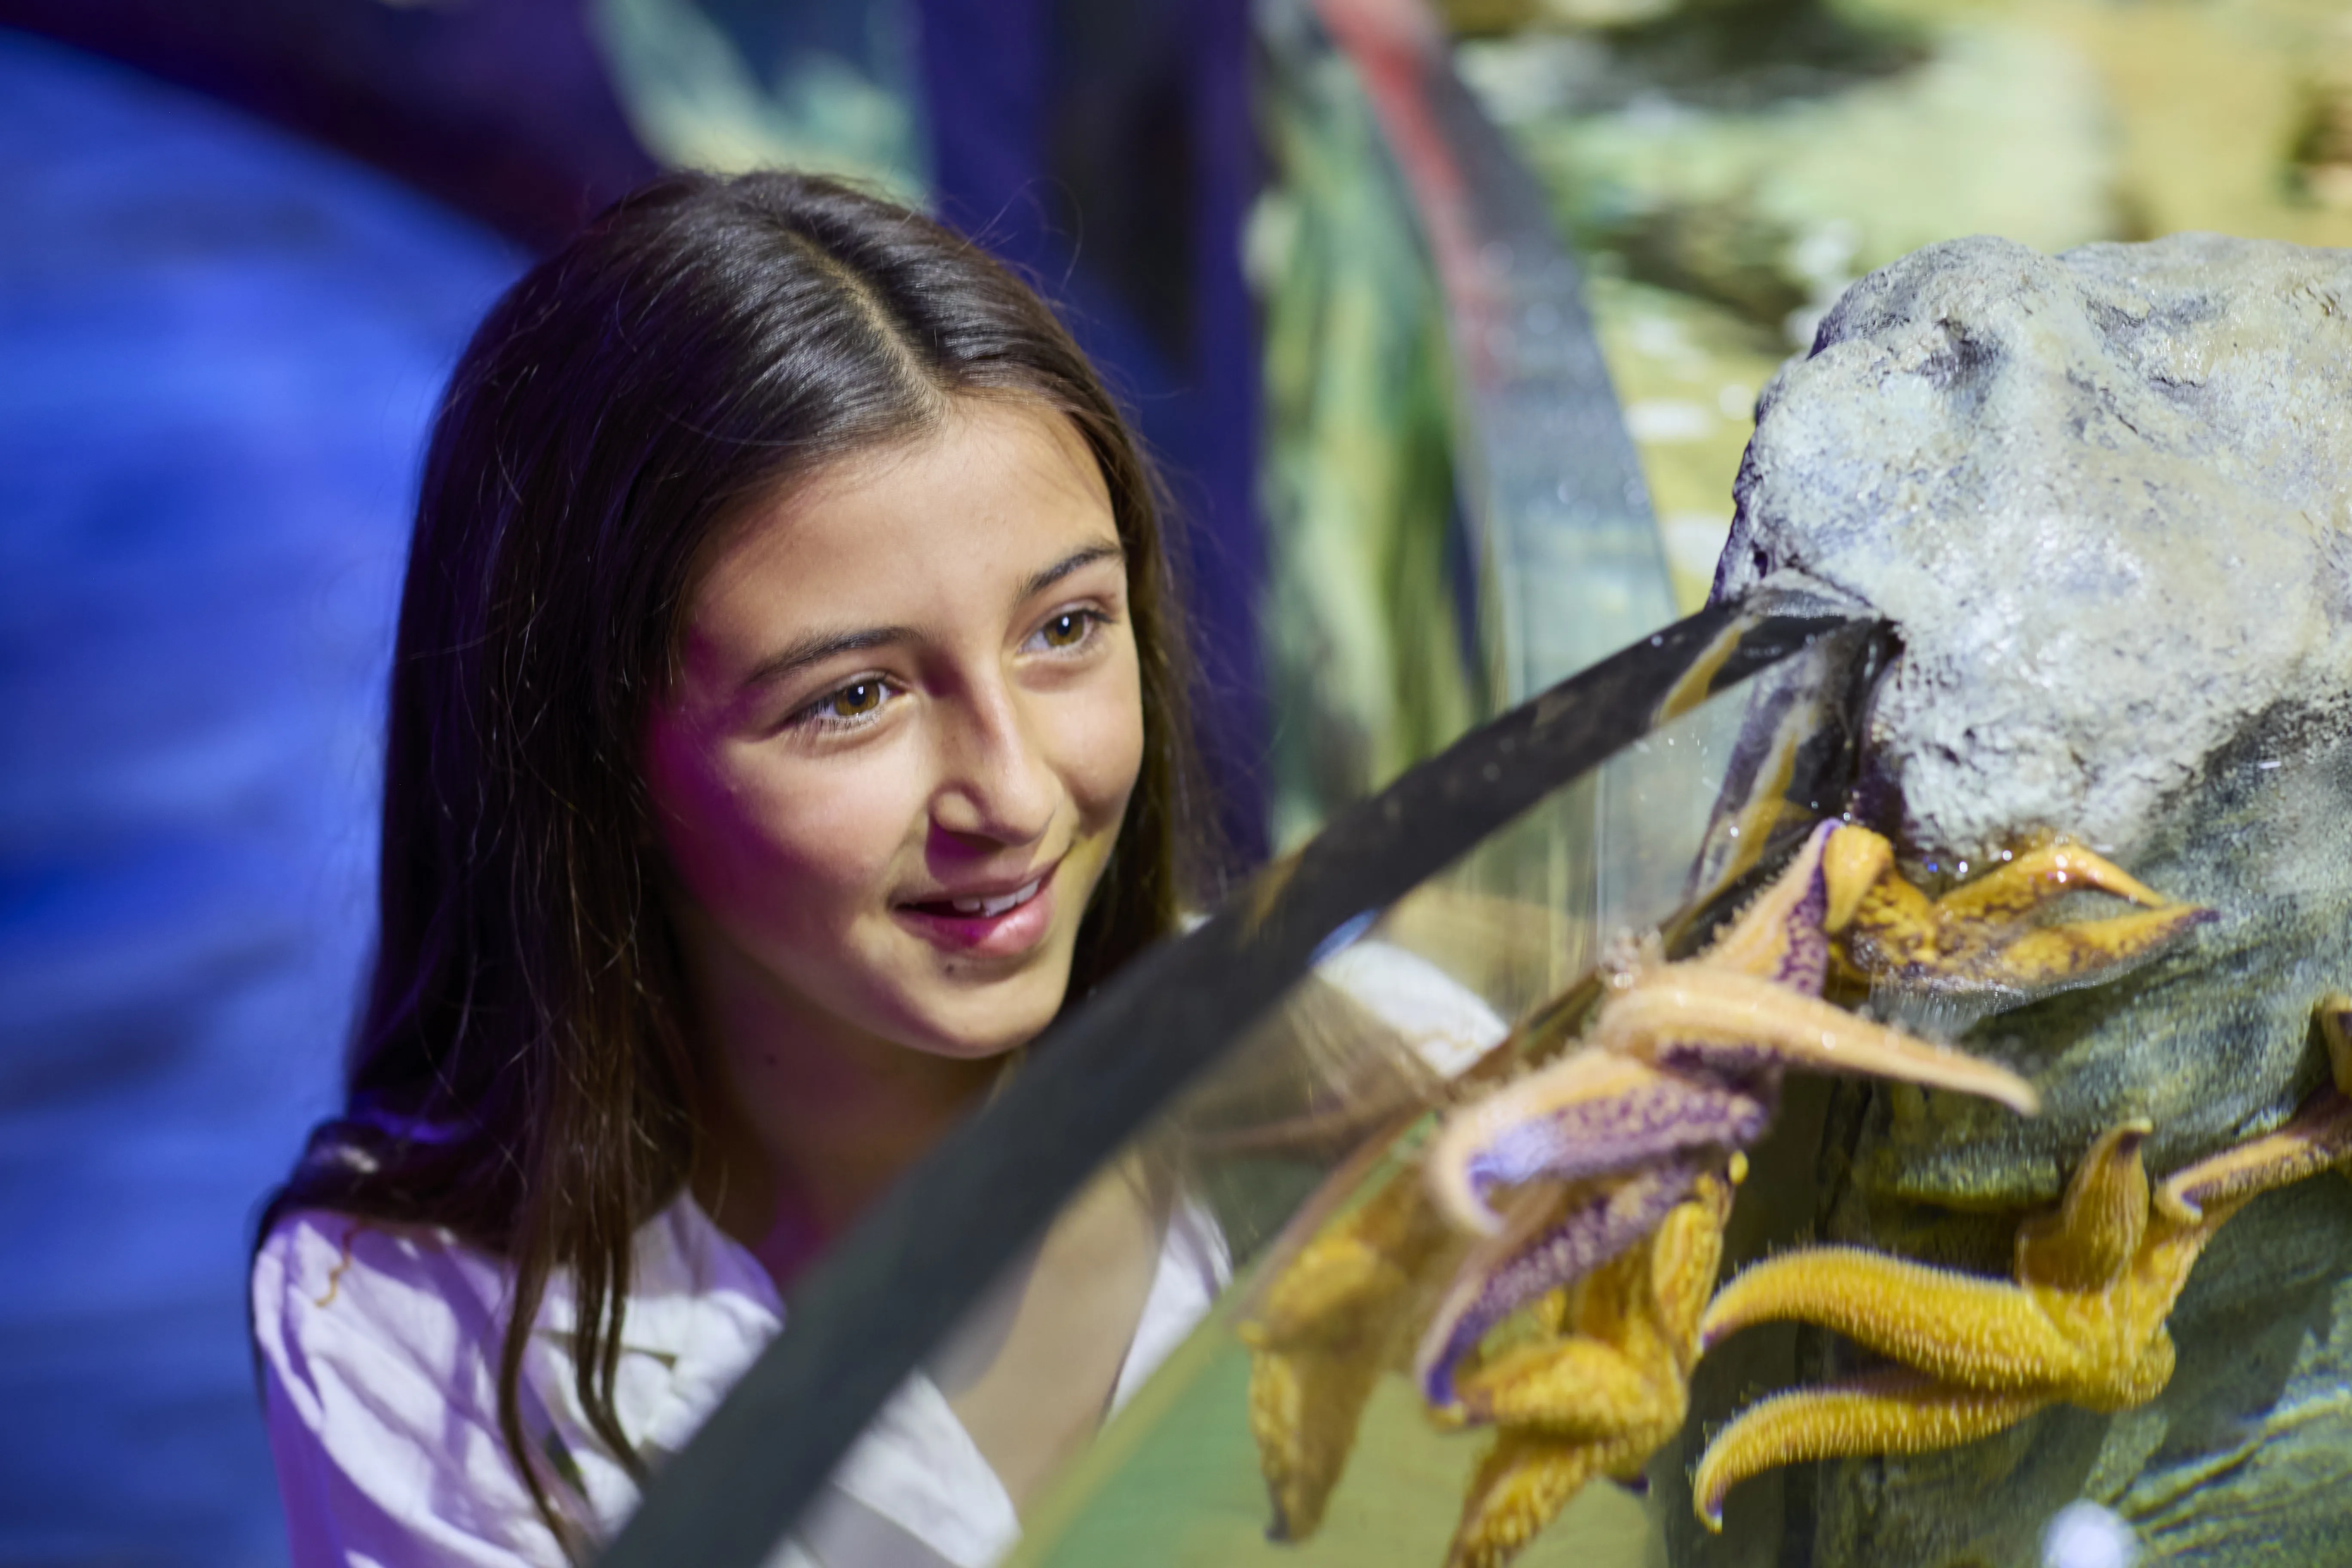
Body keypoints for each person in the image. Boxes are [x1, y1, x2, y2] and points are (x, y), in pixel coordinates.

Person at [249, 168, 1232, 1568]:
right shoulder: (420, 1325)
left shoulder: (1381, 1084)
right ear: (592, 763)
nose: (1015, 796)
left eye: (1066, 627)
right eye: (854, 699)